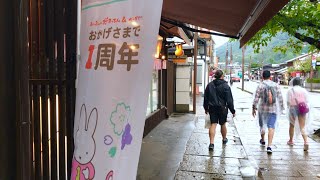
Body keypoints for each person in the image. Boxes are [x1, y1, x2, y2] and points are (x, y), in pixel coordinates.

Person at [252, 70, 284, 154]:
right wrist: (282, 108)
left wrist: (254, 107)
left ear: (262, 76)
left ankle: (263, 140)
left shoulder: (260, 85)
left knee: (262, 125)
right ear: (270, 77)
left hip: (262, 109)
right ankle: (269, 146)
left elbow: (256, 98)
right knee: (271, 126)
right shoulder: (276, 85)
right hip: (273, 109)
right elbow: (280, 98)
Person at [203, 69, 236, 151]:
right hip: (223, 108)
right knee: (223, 124)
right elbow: (229, 100)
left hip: (212, 107)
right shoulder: (226, 86)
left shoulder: (209, 85)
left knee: (213, 124)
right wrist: (232, 110)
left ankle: (211, 143)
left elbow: (206, 98)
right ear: (222, 76)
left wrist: (206, 108)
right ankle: (224, 139)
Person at [286, 77, 311, 151]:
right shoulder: (304, 90)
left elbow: (288, 101)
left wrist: (289, 107)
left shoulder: (290, 90)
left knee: (292, 125)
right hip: (302, 108)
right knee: (302, 127)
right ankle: (306, 142)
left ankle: (291, 140)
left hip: (293, 108)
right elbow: (307, 101)